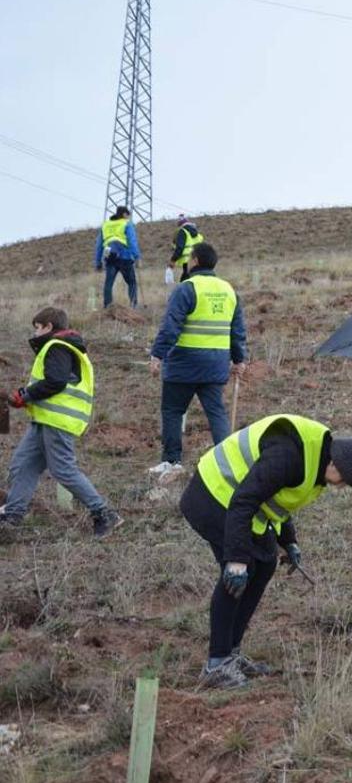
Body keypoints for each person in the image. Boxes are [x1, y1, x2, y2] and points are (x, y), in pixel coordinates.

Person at [181, 414, 352, 688]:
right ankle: (216, 663)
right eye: (343, 482)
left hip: (241, 502)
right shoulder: (288, 456)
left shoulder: (317, 460)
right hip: (213, 493)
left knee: (265, 565)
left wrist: (289, 540)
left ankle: (232, 652)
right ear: (336, 464)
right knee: (239, 575)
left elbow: (278, 501)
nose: (339, 488)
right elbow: (245, 499)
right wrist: (236, 560)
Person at [0, 307, 122, 537]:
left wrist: (25, 394)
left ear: (48, 327)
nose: (35, 333)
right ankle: (12, 516)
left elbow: (55, 382)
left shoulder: (57, 347)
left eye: (37, 327)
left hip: (58, 420)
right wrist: (26, 397)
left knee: (63, 470)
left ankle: (104, 513)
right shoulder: (61, 347)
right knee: (22, 464)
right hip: (44, 419)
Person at [149, 243, 247, 476]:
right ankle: (226, 462)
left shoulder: (186, 288)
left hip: (184, 363)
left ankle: (172, 462)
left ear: (194, 261)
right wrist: (239, 359)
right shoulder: (228, 290)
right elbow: (237, 331)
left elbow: (171, 327)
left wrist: (157, 354)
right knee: (216, 412)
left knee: (173, 410)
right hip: (216, 364)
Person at [95, 205, 140, 308]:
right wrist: (137, 256)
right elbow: (132, 241)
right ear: (124, 214)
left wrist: (98, 262)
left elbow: (99, 245)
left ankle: (107, 307)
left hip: (110, 257)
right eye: (128, 215)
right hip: (125, 257)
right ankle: (133, 305)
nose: (129, 217)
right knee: (132, 282)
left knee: (108, 283)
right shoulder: (126, 223)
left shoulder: (106, 225)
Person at [168, 214, 205, 283]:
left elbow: (180, 248)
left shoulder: (183, 232)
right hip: (199, 261)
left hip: (188, 261)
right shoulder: (198, 235)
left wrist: (173, 260)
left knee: (185, 281)